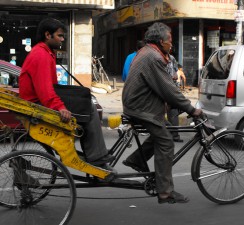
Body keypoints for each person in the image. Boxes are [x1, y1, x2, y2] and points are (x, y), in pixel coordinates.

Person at [19, 18, 114, 171]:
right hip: (38, 104)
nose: (63, 39)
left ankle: (94, 153)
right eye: (60, 36)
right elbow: (45, 91)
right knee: (89, 107)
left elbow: (52, 87)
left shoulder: (46, 52)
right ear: (48, 35)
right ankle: (96, 156)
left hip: (40, 100)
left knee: (85, 97)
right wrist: (60, 107)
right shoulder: (41, 55)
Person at [122, 22, 202, 204]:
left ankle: (135, 159)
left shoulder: (148, 52)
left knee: (162, 129)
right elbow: (169, 90)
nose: (171, 44)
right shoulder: (153, 57)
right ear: (160, 41)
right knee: (166, 142)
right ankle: (165, 192)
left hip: (137, 105)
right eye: (170, 40)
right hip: (141, 108)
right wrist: (191, 109)